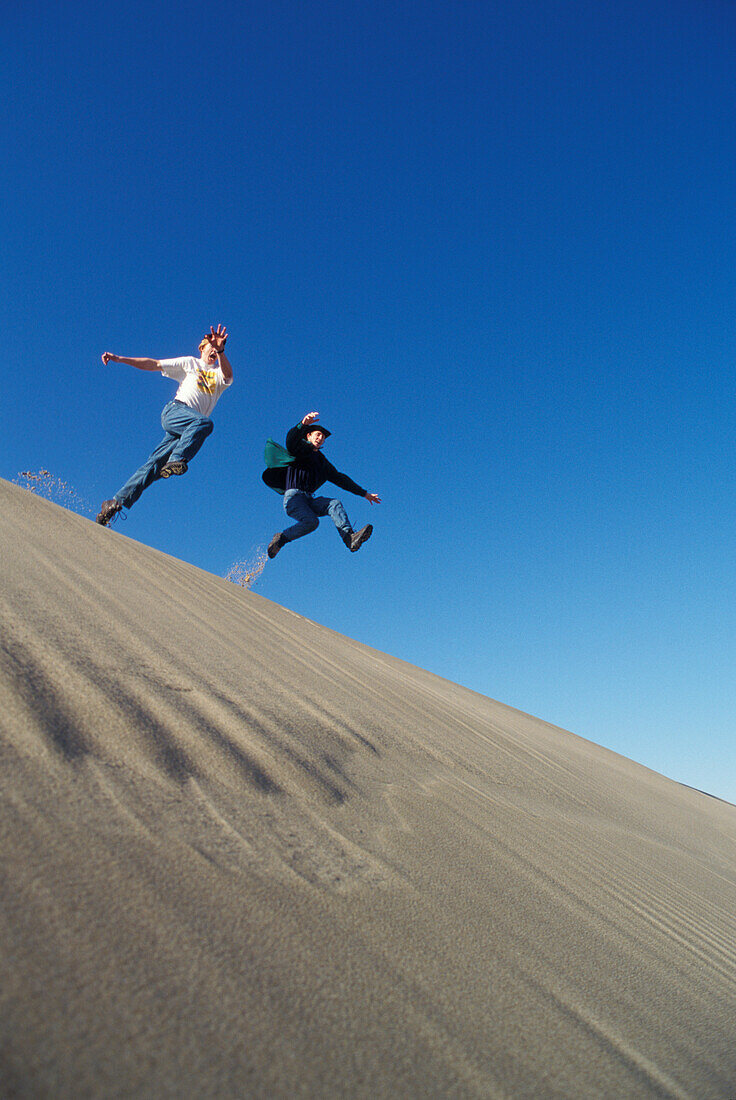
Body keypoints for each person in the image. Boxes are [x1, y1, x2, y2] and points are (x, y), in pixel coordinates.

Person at [96, 325, 233, 525]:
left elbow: (228, 376)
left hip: (187, 431)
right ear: (201, 347)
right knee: (205, 423)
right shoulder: (190, 363)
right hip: (175, 412)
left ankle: (114, 502)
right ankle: (177, 459)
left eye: (217, 348)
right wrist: (120, 359)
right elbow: (154, 364)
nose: (213, 349)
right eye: (210, 346)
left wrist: (221, 351)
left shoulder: (220, 374)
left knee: (152, 467)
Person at [264, 411, 381, 558]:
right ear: (309, 436)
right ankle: (281, 539)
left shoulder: (322, 462)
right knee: (312, 522)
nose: (320, 438)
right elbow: (291, 442)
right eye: (317, 435)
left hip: (309, 500)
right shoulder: (300, 450)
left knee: (334, 504)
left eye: (323, 437)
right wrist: (302, 425)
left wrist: (364, 493)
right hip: (294, 498)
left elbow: (340, 478)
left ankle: (350, 538)